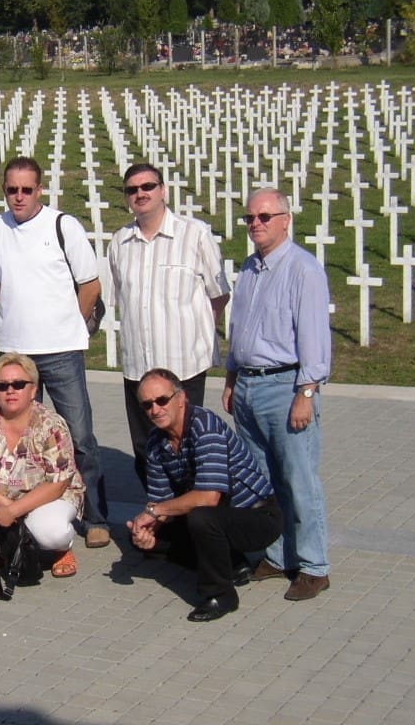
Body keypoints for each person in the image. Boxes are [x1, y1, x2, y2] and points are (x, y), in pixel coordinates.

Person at [0, 156, 110, 548]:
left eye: (26, 189)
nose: (18, 197)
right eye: (11, 190)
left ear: (39, 190)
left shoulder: (63, 226)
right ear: (4, 191)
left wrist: (70, 325)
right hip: (16, 354)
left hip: (61, 350)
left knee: (79, 435)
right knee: (20, 439)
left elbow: (90, 285)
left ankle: (95, 517)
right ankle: (29, 511)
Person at [222, 188, 332, 602]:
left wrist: (306, 391)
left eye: (265, 216)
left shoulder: (303, 269)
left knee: (298, 479)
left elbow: (314, 338)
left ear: (286, 220)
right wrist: (231, 378)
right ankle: (276, 553)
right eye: (250, 217)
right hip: (248, 384)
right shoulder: (250, 268)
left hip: (285, 387)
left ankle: (314, 566)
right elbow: (239, 329)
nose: (256, 224)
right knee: (263, 481)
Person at [108, 162, 230, 490]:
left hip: (183, 366)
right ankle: (158, 511)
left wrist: (196, 334)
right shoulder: (119, 242)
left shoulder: (195, 234)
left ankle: (189, 514)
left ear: (163, 190)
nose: (140, 193)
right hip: (138, 368)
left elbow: (218, 295)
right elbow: (121, 298)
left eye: (148, 186)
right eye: (132, 189)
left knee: (186, 448)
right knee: (145, 450)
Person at [127, 368, 282, 622]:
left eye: (162, 400)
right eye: (147, 405)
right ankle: (233, 564)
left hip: (258, 515)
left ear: (181, 398)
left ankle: (221, 595)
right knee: (148, 537)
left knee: (201, 517)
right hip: (219, 516)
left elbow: (208, 497)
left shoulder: (205, 426)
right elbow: (161, 503)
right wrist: (146, 531)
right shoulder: (155, 443)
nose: (155, 409)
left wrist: (154, 512)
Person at [0, 353, 85, 579]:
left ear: (33, 390)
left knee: (50, 531)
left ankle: (62, 550)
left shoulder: (51, 424)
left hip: (48, 499)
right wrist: (5, 505)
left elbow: (58, 483)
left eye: (18, 384)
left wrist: (14, 511)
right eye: (2, 385)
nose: (10, 390)